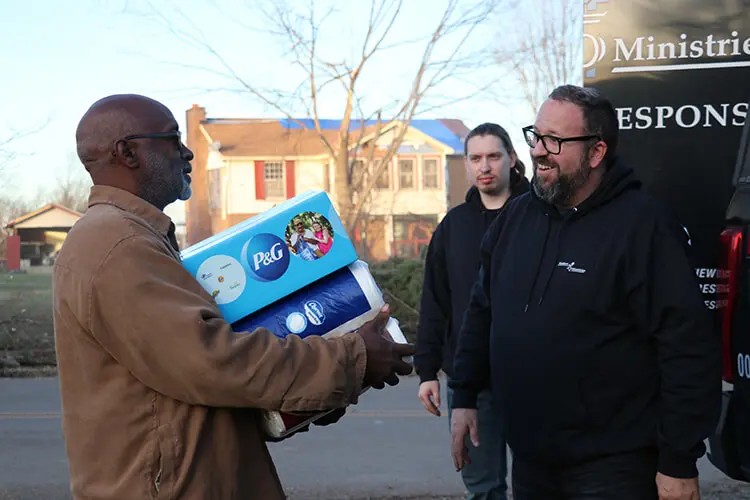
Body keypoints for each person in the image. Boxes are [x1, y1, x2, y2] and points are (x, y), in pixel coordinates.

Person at [52, 93, 415, 500]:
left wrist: (302, 403)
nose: (187, 152)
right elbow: (211, 361)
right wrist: (353, 358)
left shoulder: (129, 237)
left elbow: (180, 388)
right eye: (173, 139)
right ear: (128, 152)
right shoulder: (117, 243)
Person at [448, 85, 722, 500]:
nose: (538, 150)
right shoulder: (515, 219)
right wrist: (465, 395)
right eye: (536, 136)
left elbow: (686, 348)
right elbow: (482, 311)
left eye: (554, 141)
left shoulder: (643, 227)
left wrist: (678, 462)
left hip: (614, 468)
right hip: (530, 463)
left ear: (596, 153)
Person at [415, 123, 529, 499]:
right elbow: (435, 300)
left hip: (536, 377)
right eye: (476, 158)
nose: (485, 166)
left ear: (512, 159)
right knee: (483, 489)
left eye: (494, 156)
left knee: (545, 484)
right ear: (466, 164)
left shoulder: (541, 218)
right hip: (472, 381)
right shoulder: (453, 227)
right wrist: (427, 370)